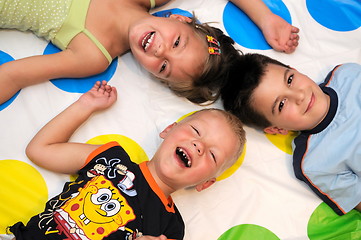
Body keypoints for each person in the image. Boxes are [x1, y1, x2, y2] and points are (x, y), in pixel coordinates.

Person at [8, 80, 245, 239]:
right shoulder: (111, 158)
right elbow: (40, 149)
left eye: (213, 155)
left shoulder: (170, 228)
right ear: (169, 129)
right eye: (195, 131)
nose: (199, 146)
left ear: (205, 183)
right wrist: (85, 105)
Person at [0, 0, 299, 105]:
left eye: (164, 67)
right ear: (180, 19)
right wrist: (266, 18)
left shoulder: (93, 54)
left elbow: (12, 75)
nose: (159, 51)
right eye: (177, 43)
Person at [221, 53, 361, 216]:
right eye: (281, 104)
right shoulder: (313, 163)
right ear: (277, 129)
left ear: (295, 70)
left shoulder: (347, 74)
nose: (299, 95)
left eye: (290, 80)